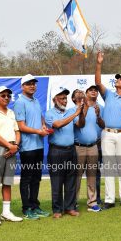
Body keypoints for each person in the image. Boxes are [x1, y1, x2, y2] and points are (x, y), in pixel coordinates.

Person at [94, 51, 121, 209]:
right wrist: (99, 64)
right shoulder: (108, 95)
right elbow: (98, 83)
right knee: (109, 166)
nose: (117, 80)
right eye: (118, 78)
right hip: (108, 133)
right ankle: (109, 199)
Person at [0, 86, 24, 225]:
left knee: (7, 182)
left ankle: (6, 212)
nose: (6, 98)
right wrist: (10, 146)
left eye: (8, 96)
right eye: (3, 95)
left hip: (12, 148)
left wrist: (15, 146)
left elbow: (17, 131)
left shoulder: (11, 112)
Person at [14, 74, 51, 220]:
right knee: (27, 178)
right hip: (27, 148)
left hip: (38, 146)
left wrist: (42, 125)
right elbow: (21, 126)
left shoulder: (35, 101)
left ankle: (35, 206)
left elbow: (39, 117)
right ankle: (26, 208)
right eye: (29, 84)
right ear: (22, 86)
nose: (32, 86)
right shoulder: (19, 102)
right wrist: (38, 131)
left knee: (36, 178)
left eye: (34, 83)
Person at [45, 87, 82, 218]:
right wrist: (75, 114)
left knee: (71, 180)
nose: (64, 101)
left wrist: (83, 111)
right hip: (56, 151)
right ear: (54, 100)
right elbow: (58, 124)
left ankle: (70, 208)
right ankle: (57, 210)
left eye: (65, 98)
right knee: (57, 181)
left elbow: (80, 125)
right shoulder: (49, 113)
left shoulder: (70, 112)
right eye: (61, 98)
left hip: (71, 150)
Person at [74, 87, 104, 212]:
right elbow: (80, 124)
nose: (93, 92)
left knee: (92, 176)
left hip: (93, 147)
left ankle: (92, 202)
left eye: (95, 90)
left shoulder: (97, 108)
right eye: (90, 90)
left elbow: (103, 125)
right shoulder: (73, 110)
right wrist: (83, 109)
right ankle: (73, 202)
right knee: (77, 176)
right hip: (78, 147)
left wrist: (98, 116)